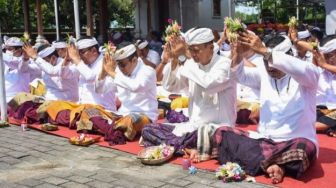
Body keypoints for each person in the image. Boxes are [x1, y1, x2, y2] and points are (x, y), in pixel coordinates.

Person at [215, 33, 319, 184]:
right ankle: (278, 165)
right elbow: (240, 76)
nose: (270, 67)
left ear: (288, 57)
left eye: (273, 61)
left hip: (293, 142)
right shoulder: (264, 74)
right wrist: (237, 54)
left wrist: (266, 53)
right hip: (264, 142)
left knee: (304, 149)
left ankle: (263, 163)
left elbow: (305, 70)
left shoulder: (307, 75)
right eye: (265, 61)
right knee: (222, 132)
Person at [142, 28, 237, 162]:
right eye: (190, 50)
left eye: (196, 50)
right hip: (193, 128)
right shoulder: (192, 64)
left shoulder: (225, 64)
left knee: (212, 135)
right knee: (148, 129)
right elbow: (171, 86)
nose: (192, 54)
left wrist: (183, 58)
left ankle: (181, 145)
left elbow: (208, 84)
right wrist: (174, 59)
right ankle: (186, 147)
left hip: (215, 129)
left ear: (210, 47)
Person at [95, 44, 158, 141]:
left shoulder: (148, 71)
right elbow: (99, 90)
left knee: (130, 120)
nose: (120, 68)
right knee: (90, 111)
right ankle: (114, 129)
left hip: (144, 116)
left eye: (123, 65)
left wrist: (112, 72)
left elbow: (135, 86)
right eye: (118, 64)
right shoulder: (119, 74)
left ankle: (109, 129)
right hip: (121, 115)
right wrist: (103, 73)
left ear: (134, 60)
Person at [67, 36, 116, 111]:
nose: (79, 56)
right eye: (78, 53)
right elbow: (65, 74)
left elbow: (91, 77)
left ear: (93, 50)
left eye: (82, 52)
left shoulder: (105, 63)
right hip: (83, 109)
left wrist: (76, 59)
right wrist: (66, 60)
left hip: (102, 111)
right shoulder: (83, 65)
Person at [313, 35, 336, 136]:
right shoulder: (317, 71)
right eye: (324, 56)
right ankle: (328, 128)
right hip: (318, 110)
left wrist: (324, 65)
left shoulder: (323, 66)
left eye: (329, 56)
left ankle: (310, 127)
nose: (325, 59)